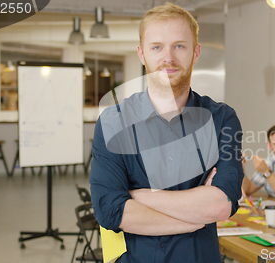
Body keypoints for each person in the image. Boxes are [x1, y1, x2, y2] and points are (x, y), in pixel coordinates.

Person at [89, 3, 244, 262]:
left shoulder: (222, 119)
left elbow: (222, 204)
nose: (168, 58)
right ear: (142, 54)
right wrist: (194, 220)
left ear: (195, 52)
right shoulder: (113, 123)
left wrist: (139, 196)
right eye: (157, 47)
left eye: (179, 46)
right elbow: (112, 211)